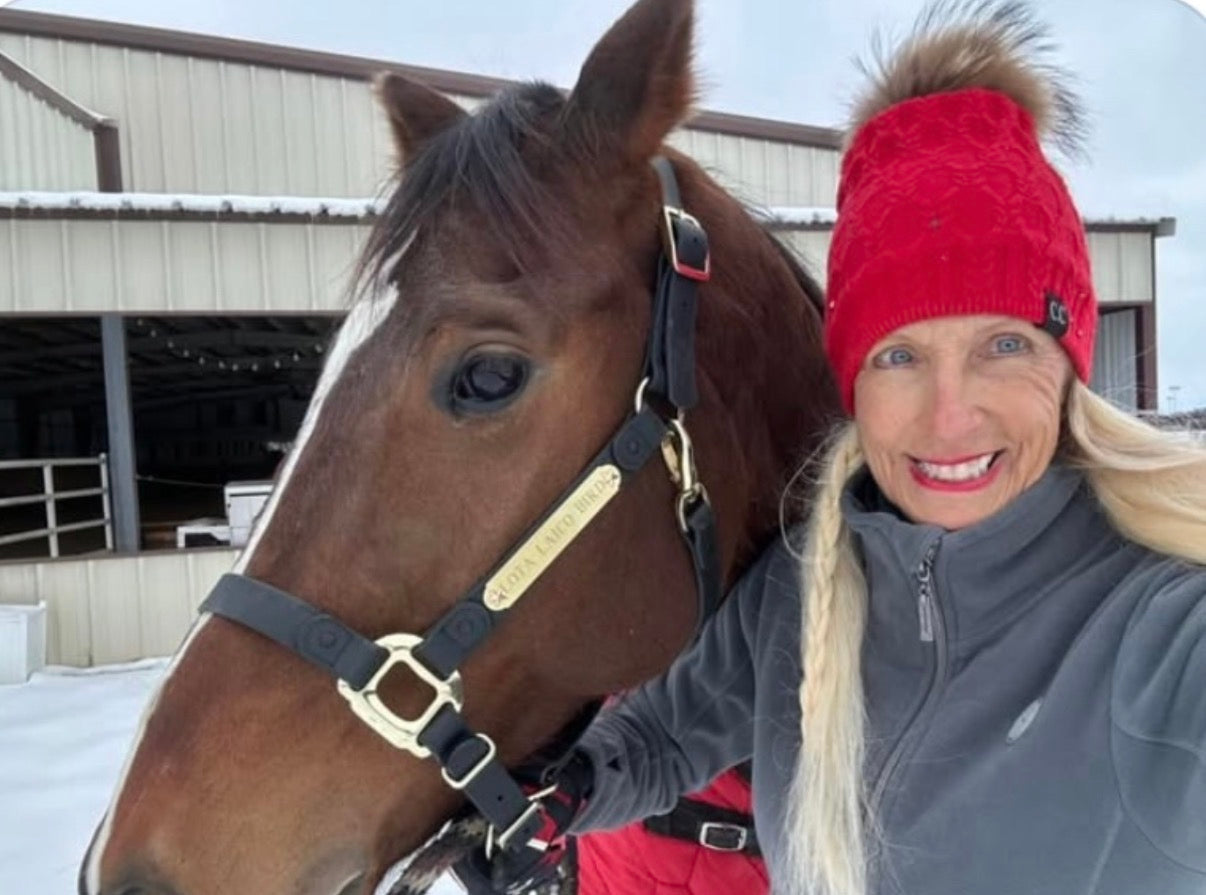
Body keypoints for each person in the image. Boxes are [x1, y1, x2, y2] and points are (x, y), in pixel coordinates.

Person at [456, 3, 1206, 894]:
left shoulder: (1161, 632)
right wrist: (563, 791)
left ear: (1067, 361)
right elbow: (663, 735)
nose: (950, 415)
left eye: (1004, 345)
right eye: (900, 355)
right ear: (851, 380)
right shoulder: (803, 583)